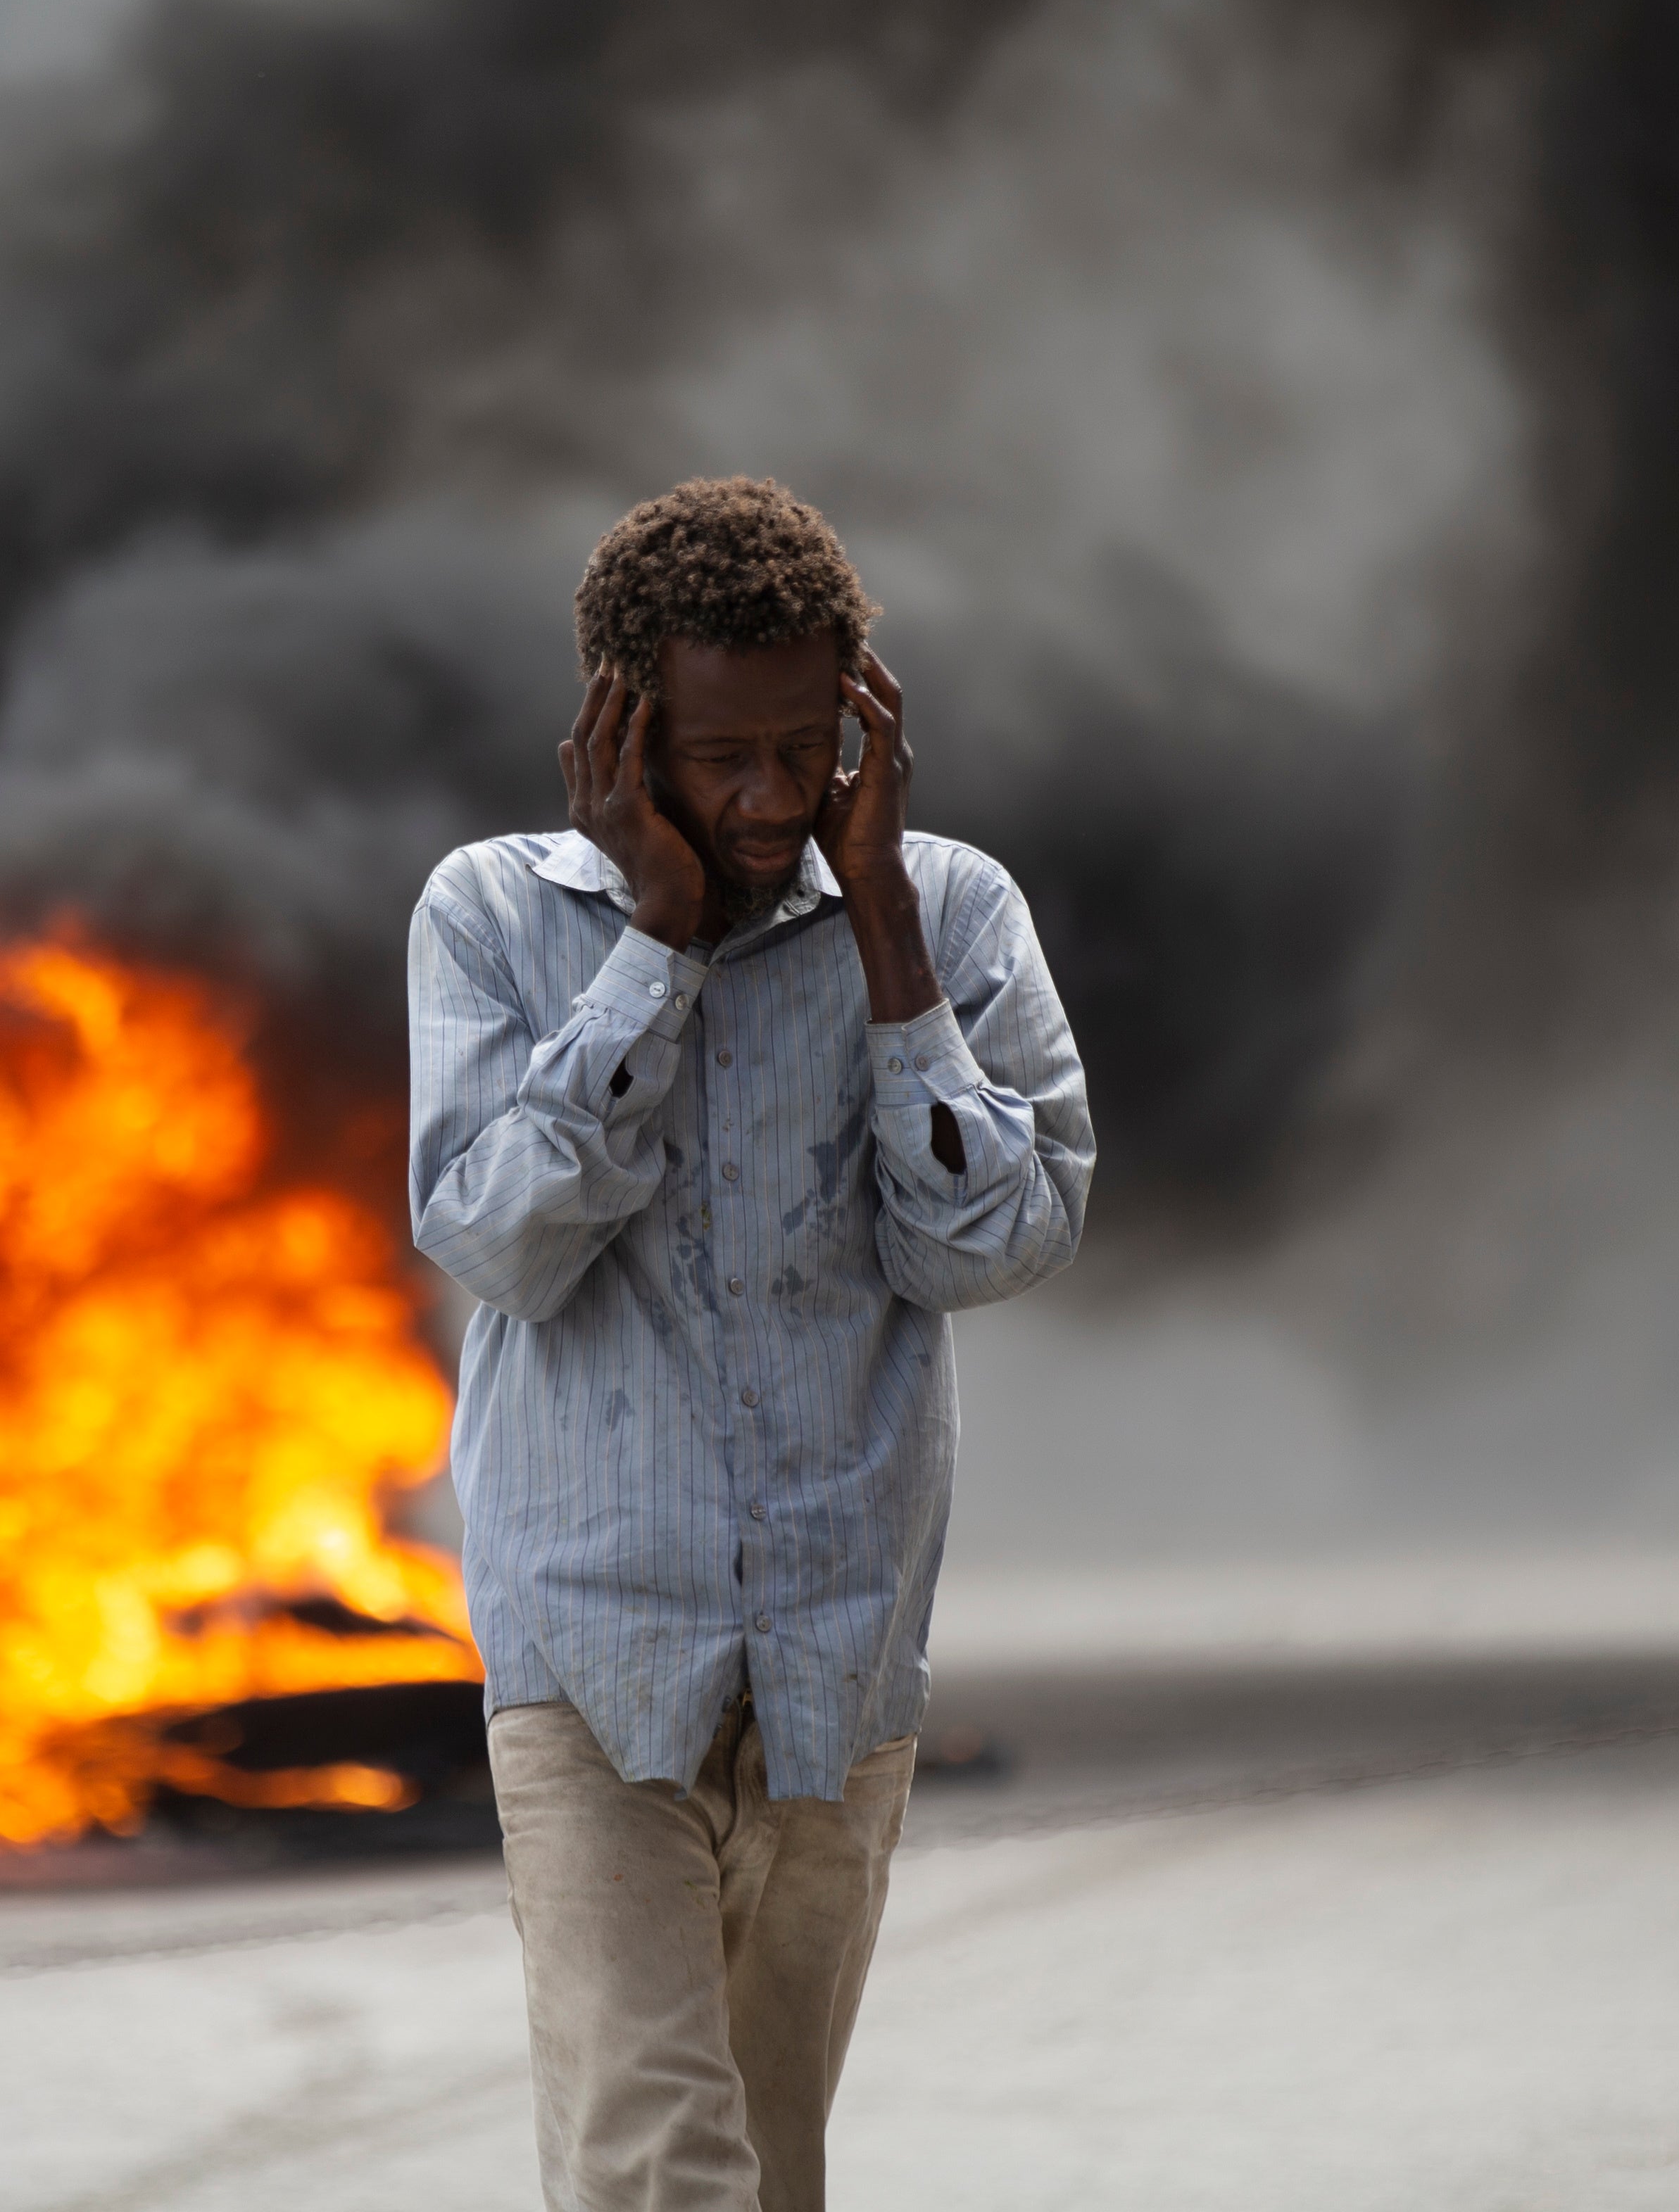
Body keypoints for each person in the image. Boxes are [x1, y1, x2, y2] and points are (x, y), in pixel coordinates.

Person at [407, 475, 1095, 2211]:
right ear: (618, 734)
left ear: (865, 720)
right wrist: (656, 945)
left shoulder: (946, 909)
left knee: (769, 2164)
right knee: (664, 2162)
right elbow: (496, 1235)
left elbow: (998, 1240)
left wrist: (883, 943)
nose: (770, 797)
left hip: (836, 1670)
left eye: (806, 747)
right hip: (590, 1668)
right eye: (722, 756)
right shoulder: (492, 918)